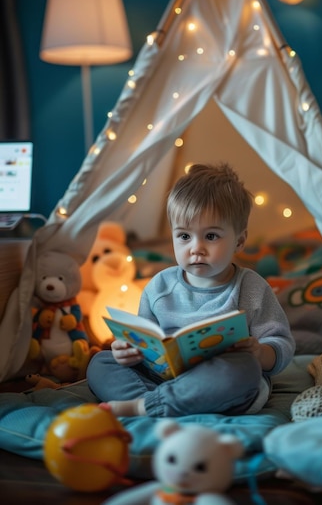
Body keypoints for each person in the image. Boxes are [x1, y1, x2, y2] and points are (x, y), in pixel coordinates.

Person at [87, 163, 295, 417]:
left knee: (245, 368)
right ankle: (157, 404)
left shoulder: (251, 287)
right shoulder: (160, 286)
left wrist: (260, 352)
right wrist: (128, 352)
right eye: (184, 236)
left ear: (239, 241)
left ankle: (150, 406)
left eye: (211, 236)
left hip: (220, 380)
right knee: (101, 362)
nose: (196, 248)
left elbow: (281, 344)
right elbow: (143, 340)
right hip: (163, 379)